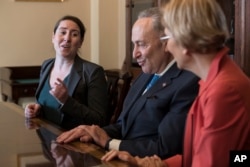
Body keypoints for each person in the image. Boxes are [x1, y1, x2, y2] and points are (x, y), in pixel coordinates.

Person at [101, 0, 250, 167]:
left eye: (167, 37)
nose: (168, 47)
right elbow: (198, 153)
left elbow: (222, 161)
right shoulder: (212, 80)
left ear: (186, 40)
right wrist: (159, 164)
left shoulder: (224, 90)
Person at [56, 7, 199, 159]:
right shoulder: (144, 76)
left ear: (166, 43)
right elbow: (123, 126)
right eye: (134, 44)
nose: (134, 53)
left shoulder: (187, 83)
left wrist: (109, 142)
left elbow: (165, 147)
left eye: (142, 44)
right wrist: (93, 132)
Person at [24, 15, 108, 130]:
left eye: (74, 34)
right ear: (53, 37)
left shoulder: (93, 72)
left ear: (80, 42)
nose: (67, 38)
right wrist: (36, 109)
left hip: (74, 142)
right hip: (45, 136)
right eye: (62, 32)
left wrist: (66, 101)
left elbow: (99, 120)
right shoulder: (46, 65)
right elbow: (43, 102)